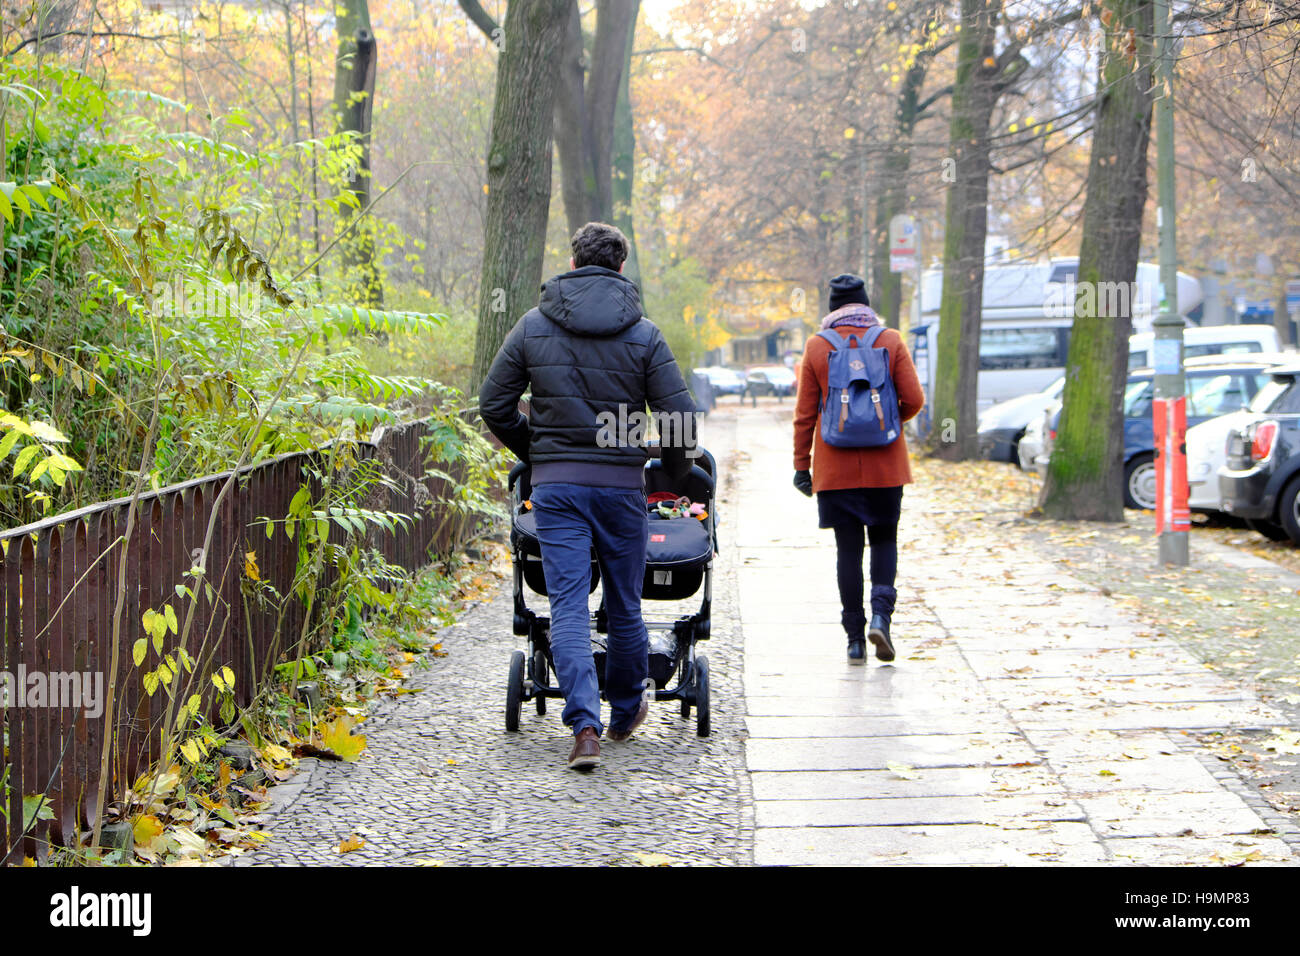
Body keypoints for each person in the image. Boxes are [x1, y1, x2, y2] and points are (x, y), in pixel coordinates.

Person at [479, 222, 696, 770]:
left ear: (573, 264)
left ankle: (584, 729)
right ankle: (625, 711)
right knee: (624, 603)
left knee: (569, 605)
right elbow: (680, 419)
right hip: (622, 488)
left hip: (557, 492)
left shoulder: (533, 326)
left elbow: (493, 402)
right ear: (620, 269)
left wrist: (538, 451)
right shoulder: (644, 335)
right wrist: (670, 474)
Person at [792, 274, 925, 664]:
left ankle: (854, 639)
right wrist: (887, 425)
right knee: (884, 540)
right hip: (887, 467)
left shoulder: (817, 346)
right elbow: (914, 399)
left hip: (836, 470)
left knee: (847, 551)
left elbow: (804, 416)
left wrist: (803, 466)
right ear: (866, 304)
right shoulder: (891, 340)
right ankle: (881, 617)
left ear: (832, 307)